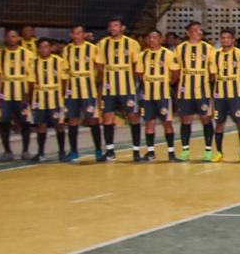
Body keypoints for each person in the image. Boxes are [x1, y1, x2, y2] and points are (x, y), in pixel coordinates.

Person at [96, 17, 143, 162]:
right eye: (111, 26)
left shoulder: (132, 44)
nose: (113, 28)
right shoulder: (102, 44)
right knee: (107, 118)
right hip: (109, 89)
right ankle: (110, 151)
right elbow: (99, 65)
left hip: (127, 88)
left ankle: (136, 151)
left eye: (116, 25)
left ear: (122, 27)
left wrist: (134, 82)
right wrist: (106, 80)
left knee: (133, 117)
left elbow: (137, 65)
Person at [135, 30, 179, 162]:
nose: (152, 40)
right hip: (148, 95)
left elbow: (175, 73)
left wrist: (168, 83)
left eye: (155, 37)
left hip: (163, 95)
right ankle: (150, 152)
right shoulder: (142, 55)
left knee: (167, 123)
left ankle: (171, 153)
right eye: (150, 37)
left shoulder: (168, 54)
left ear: (161, 39)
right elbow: (138, 73)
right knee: (149, 123)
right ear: (147, 40)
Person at [175, 22, 216, 162]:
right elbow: (176, 69)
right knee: (186, 120)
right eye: (195, 30)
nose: (199, 32)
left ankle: (208, 151)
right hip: (185, 91)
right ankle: (185, 150)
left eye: (200, 30)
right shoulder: (180, 48)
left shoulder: (208, 48)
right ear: (188, 32)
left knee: (206, 119)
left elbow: (213, 72)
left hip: (202, 91)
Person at [63, 24, 103, 163]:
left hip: (88, 90)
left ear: (84, 34)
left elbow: (99, 69)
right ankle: (74, 151)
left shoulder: (92, 48)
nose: (77, 35)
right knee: (72, 120)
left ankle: (98, 150)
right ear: (71, 35)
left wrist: (95, 84)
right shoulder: (67, 49)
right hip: (72, 90)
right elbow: (64, 70)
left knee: (93, 119)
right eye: (74, 33)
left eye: (79, 33)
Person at [210, 28, 240, 163]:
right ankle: (219, 152)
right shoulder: (215, 55)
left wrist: (237, 84)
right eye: (223, 37)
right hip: (220, 94)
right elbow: (213, 75)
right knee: (219, 122)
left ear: (233, 39)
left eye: (228, 37)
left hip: (235, 94)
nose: (225, 40)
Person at [0, 28, 34, 160]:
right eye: (9, 36)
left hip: (21, 92)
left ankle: (25, 150)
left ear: (18, 38)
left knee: (24, 123)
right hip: (5, 94)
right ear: (6, 39)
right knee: (4, 122)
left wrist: (28, 95)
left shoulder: (27, 54)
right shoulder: (0, 55)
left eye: (14, 36)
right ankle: (7, 151)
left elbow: (31, 77)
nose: (12, 39)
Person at [28, 37, 66, 162]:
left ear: (51, 48)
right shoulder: (33, 63)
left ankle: (61, 151)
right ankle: (41, 152)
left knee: (59, 125)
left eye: (46, 46)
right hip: (39, 97)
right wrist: (30, 101)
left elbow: (64, 81)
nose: (44, 49)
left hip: (55, 97)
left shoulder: (59, 61)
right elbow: (31, 83)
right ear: (38, 49)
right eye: (41, 47)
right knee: (41, 125)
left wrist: (63, 98)